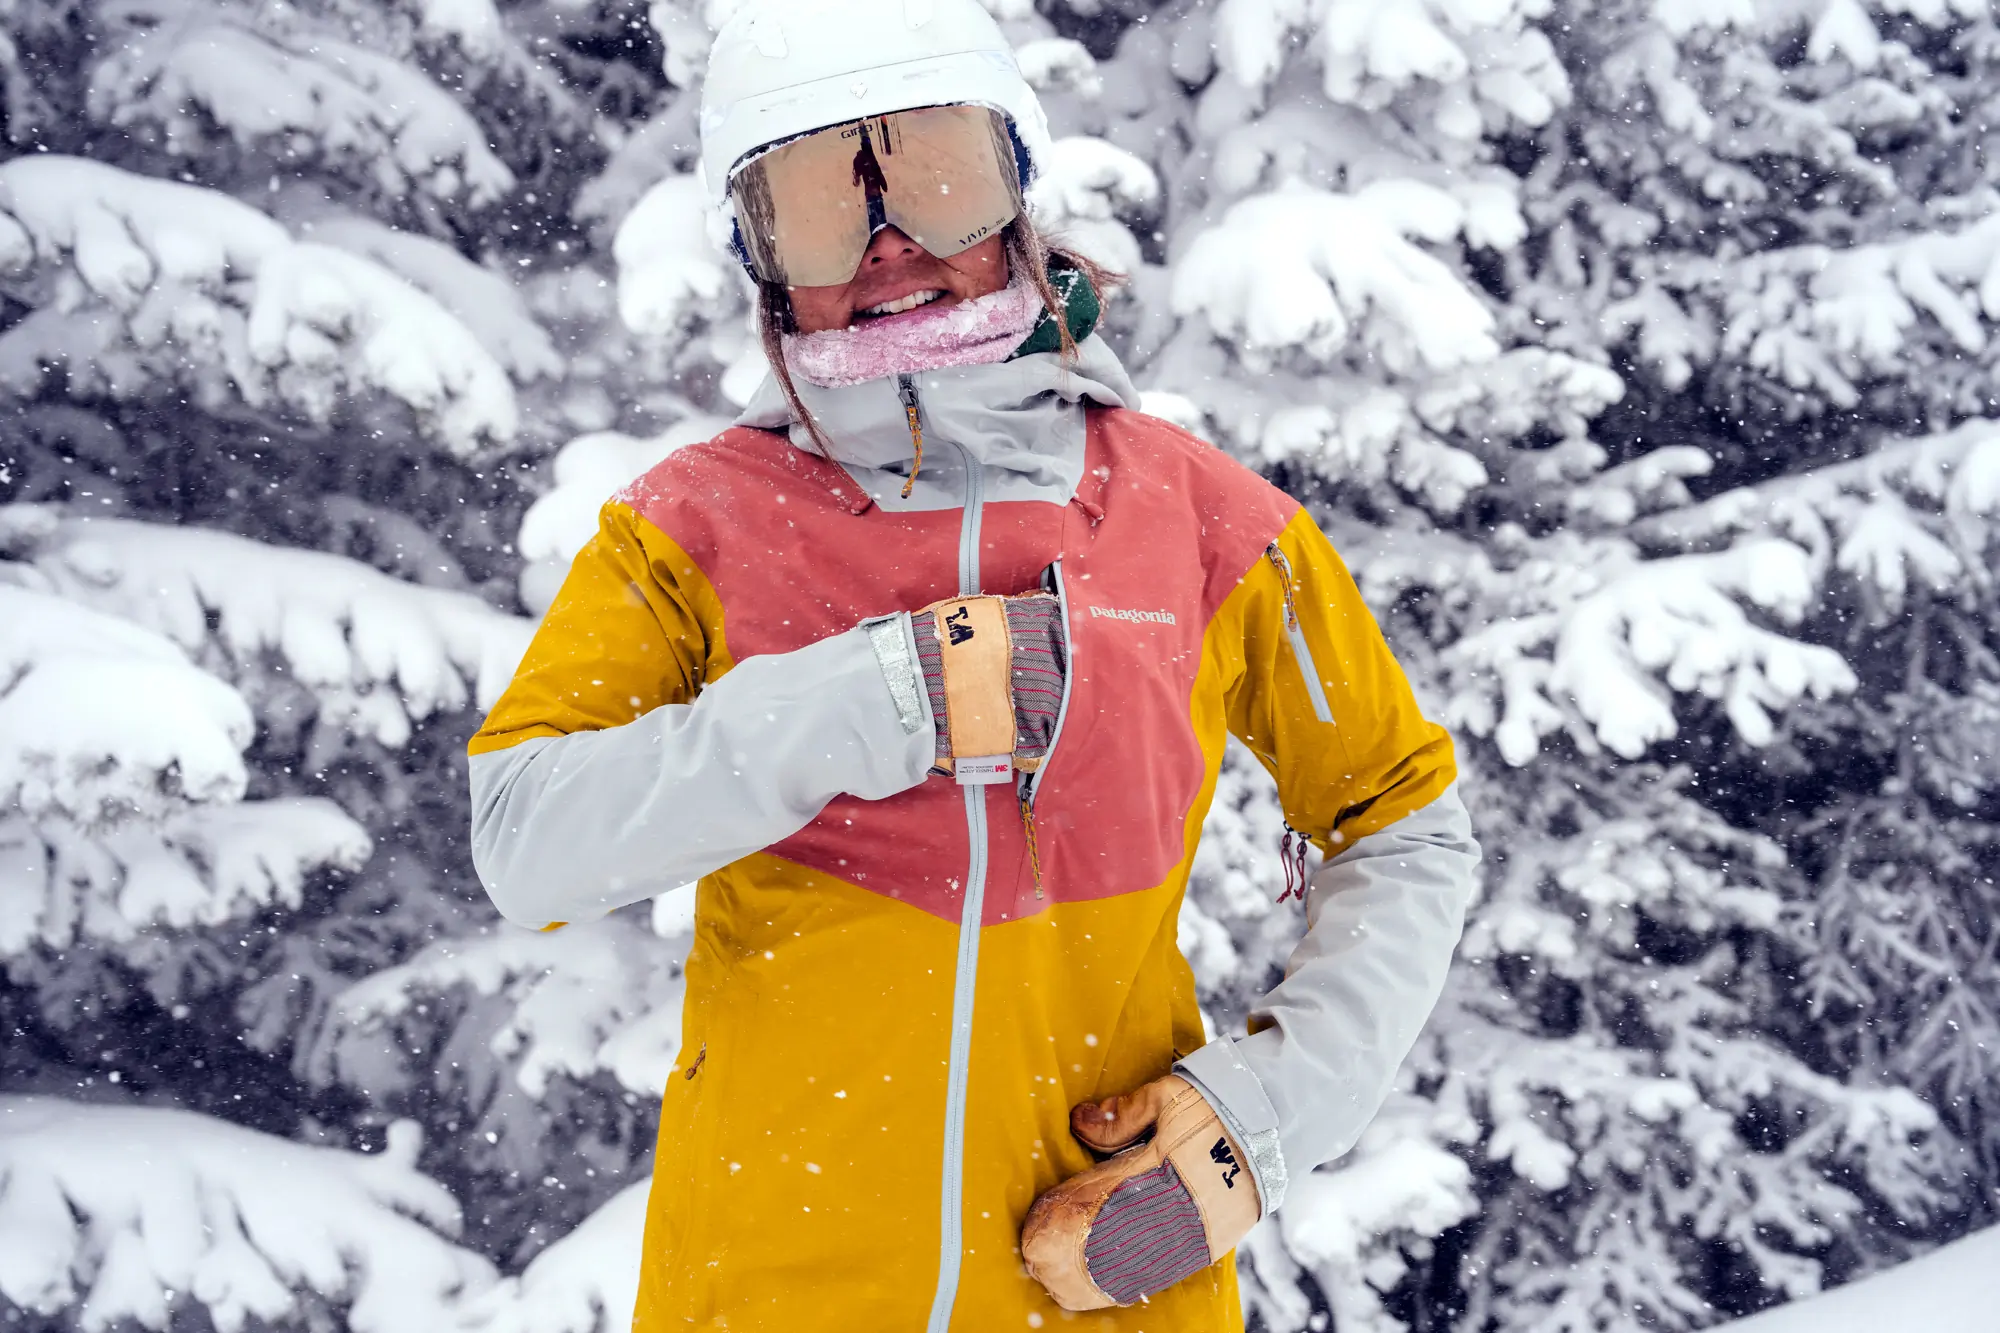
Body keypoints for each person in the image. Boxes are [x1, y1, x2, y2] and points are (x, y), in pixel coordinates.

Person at [467, 0, 1481, 1328]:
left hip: (1100, 1282)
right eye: (819, 204)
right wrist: (881, 696)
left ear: (1017, 190)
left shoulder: (1202, 522)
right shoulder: (692, 529)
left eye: (935, 174)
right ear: (757, 255)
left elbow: (1404, 825)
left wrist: (1269, 1113)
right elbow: (528, 842)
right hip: (771, 1295)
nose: (888, 240)